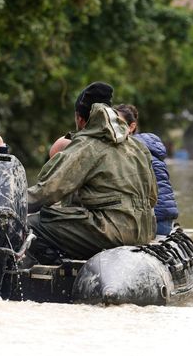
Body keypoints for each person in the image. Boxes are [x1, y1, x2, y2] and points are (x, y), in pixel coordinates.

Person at [27, 82, 158, 263]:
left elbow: (47, 191)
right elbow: (152, 198)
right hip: (145, 231)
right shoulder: (136, 146)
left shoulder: (87, 145)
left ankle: (55, 264)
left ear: (80, 119)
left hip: (114, 233)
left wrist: (13, 204)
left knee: (33, 224)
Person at [115, 104, 179, 236]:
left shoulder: (131, 150)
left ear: (131, 127)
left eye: (118, 123)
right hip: (165, 220)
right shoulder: (149, 147)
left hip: (154, 222)